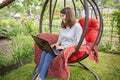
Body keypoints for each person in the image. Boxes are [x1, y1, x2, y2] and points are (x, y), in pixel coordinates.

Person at [35, 7, 86, 80]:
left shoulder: (77, 27)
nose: (61, 18)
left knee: (49, 55)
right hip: (60, 47)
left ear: (68, 15)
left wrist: (62, 48)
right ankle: (39, 73)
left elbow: (79, 43)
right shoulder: (64, 25)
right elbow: (60, 37)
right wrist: (56, 44)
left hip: (68, 50)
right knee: (45, 51)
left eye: (63, 16)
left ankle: (41, 77)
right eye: (61, 16)